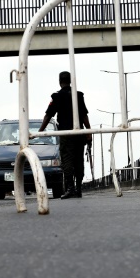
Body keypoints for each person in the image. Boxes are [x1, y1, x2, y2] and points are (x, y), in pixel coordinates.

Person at [39, 71, 92, 199]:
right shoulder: (78, 95)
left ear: (59, 81)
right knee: (79, 160)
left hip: (66, 134)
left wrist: (40, 131)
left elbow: (48, 115)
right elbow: (84, 115)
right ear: (70, 81)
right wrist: (89, 131)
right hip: (79, 132)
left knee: (67, 160)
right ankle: (78, 189)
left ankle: (70, 188)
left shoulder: (57, 97)